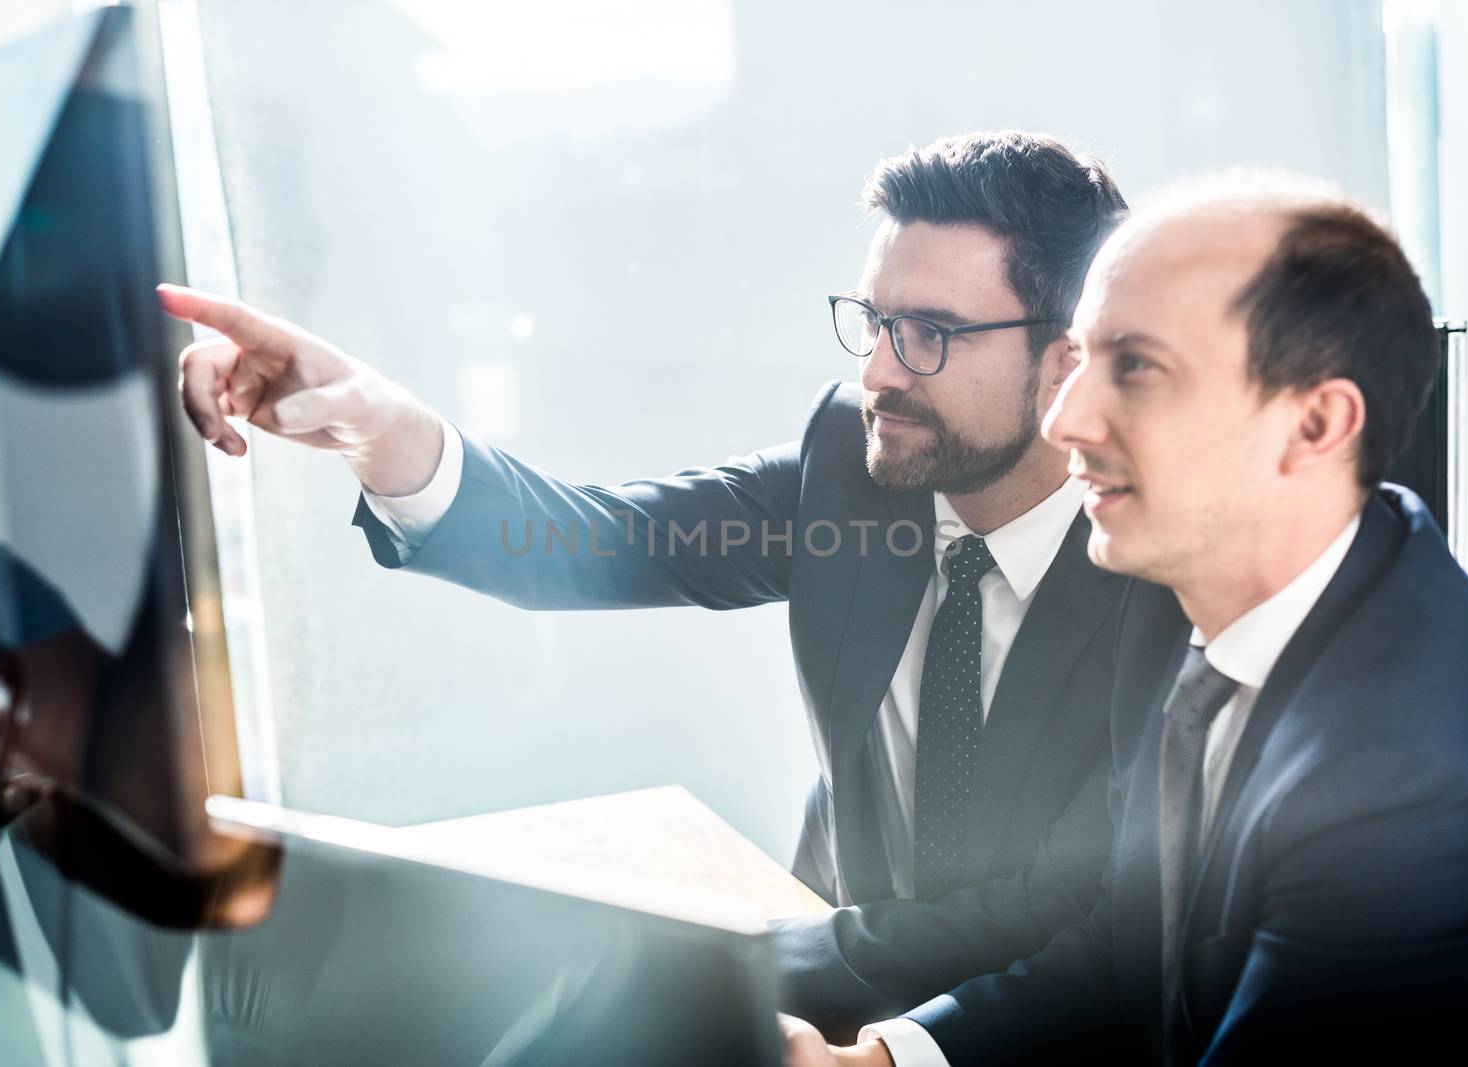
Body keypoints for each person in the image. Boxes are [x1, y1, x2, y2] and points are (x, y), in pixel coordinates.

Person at [162, 130, 1132, 1033]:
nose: (878, 369)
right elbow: (591, 538)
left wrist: (689, 959)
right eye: (873, 320)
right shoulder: (853, 462)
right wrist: (379, 424)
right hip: (808, 1016)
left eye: (927, 332)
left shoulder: (1168, 570)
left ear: (1064, 364)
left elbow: (1051, 920)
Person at [786, 175, 1468, 1066]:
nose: (1064, 422)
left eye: (1135, 368)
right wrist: (878, 1062)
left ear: (1316, 422)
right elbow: (1124, 946)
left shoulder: (1410, 795)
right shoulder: (1182, 605)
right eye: (1081, 361)